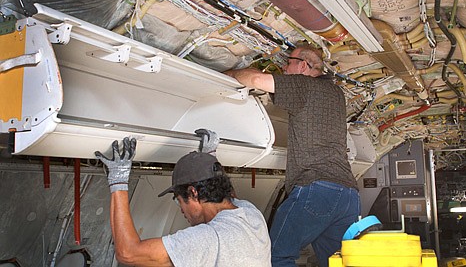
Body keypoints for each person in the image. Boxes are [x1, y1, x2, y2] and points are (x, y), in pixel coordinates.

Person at [225, 46, 360, 267]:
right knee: (339, 262)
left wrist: (229, 75)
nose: (284, 68)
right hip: (348, 196)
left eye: (288, 62)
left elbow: (257, 79)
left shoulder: (303, 85)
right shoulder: (337, 93)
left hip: (317, 190)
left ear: (304, 66)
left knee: (277, 256)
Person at [95, 136, 271, 267]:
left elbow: (128, 253)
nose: (181, 211)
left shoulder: (208, 239)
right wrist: (208, 160)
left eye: (179, 201)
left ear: (193, 193)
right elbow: (230, 195)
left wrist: (118, 180)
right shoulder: (250, 212)